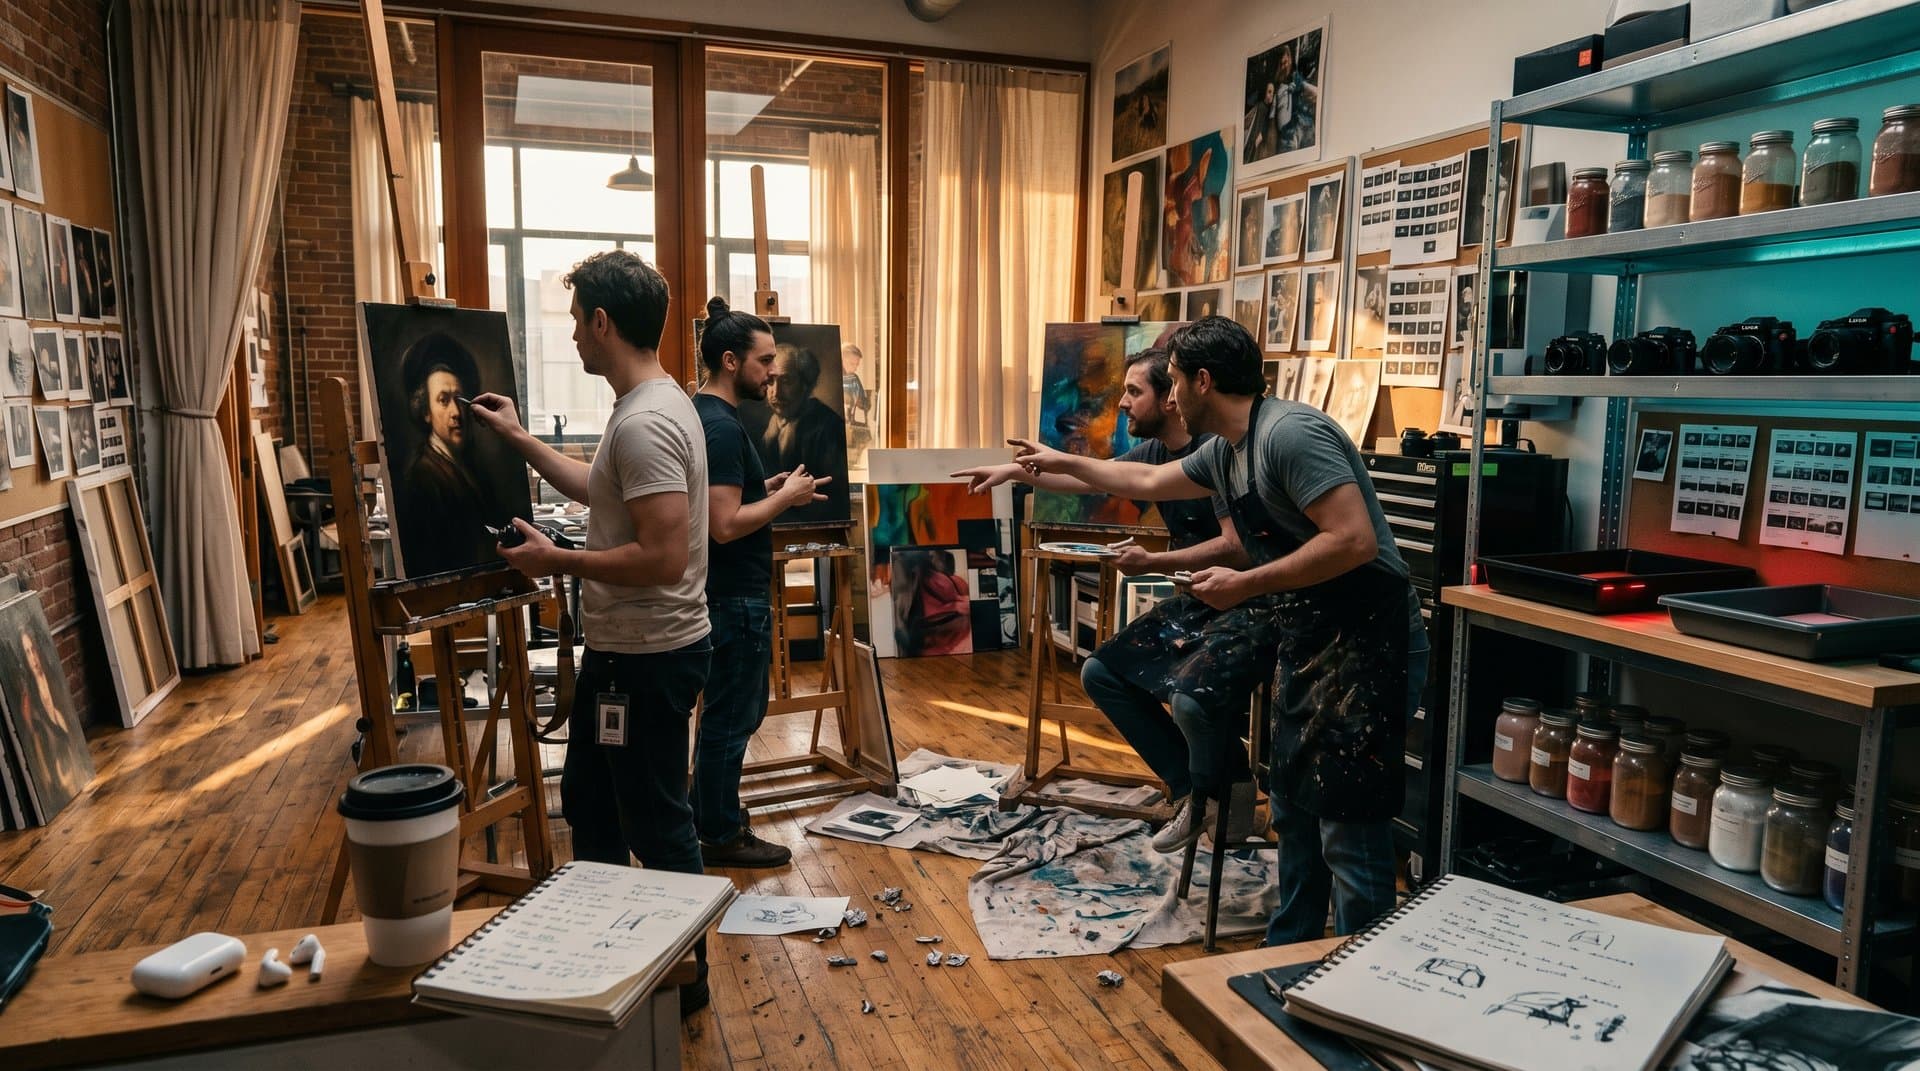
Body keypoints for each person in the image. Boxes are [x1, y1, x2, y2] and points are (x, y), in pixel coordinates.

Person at [1009, 316, 1428, 946]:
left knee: (1346, 824)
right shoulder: (1228, 448)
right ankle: (1289, 953)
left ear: (1203, 381)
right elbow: (1147, 479)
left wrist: (1247, 584)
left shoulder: (1290, 436)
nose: (1170, 396)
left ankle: (1359, 981)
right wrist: (1052, 462)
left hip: (1367, 641)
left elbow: (1354, 541)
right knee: (1291, 804)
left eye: (1173, 380)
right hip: (1309, 634)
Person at [466, 250, 716, 1014]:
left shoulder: (645, 422)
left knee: (655, 820)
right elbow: (600, 486)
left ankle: (684, 981)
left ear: (603, 322)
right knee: (594, 803)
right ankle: (614, 956)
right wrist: (521, 440)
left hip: (646, 657)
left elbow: (665, 557)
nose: (572, 335)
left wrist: (556, 559)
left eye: (576, 321)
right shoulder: (647, 406)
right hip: (629, 656)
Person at [958, 347, 1270, 852]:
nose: (1122, 402)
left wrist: (1154, 563)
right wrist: (1014, 471)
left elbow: (1235, 548)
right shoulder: (1153, 453)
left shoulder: (1215, 448)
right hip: (1197, 594)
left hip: (1245, 598)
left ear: (1171, 398)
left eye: (1133, 391)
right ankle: (1192, 791)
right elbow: (1087, 477)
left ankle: (1227, 795)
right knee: (1102, 672)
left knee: (1191, 698)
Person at [692, 296, 827, 869]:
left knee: (725, 714)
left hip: (724, 593)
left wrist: (762, 486)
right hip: (733, 595)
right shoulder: (721, 427)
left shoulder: (705, 415)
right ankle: (720, 834)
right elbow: (723, 526)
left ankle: (714, 818)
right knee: (732, 717)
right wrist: (782, 498)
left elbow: (722, 501)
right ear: (730, 361)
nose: (773, 371)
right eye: (764, 360)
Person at [396, 334, 505, 576]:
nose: (456, 412)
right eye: (444, 401)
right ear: (425, 411)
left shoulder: (472, 466)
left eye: (459, 399)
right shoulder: (423, 476)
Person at [760, 342, 848, 523]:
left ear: (805, 384)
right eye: (770, 381)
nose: (776, 392)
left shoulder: (829, 427)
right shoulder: (767, 427)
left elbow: (833, 499)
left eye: (786, 381)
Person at [841, 342, 872, 460]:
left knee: (862, 440)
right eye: (851, 363)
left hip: (855, 423)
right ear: (841, 359)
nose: (854, 368)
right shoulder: (834, 376)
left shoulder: (854, 378)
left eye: (857, 364)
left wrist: (861, 402)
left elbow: (866, 404)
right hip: (841, 424)